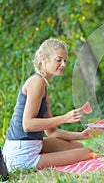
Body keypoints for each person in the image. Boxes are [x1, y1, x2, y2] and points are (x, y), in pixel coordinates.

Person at [3, 38, 95, 171]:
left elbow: (51, 132)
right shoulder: (37, 82)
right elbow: (27, 125)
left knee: (79, 146)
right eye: (58, 60)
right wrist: (64, 118)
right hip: (21, 153)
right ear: (44, 58)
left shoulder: (43, 84)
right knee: (88, 153)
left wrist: (80, 135)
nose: (63, 64)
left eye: (65, 60)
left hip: (33, 145)